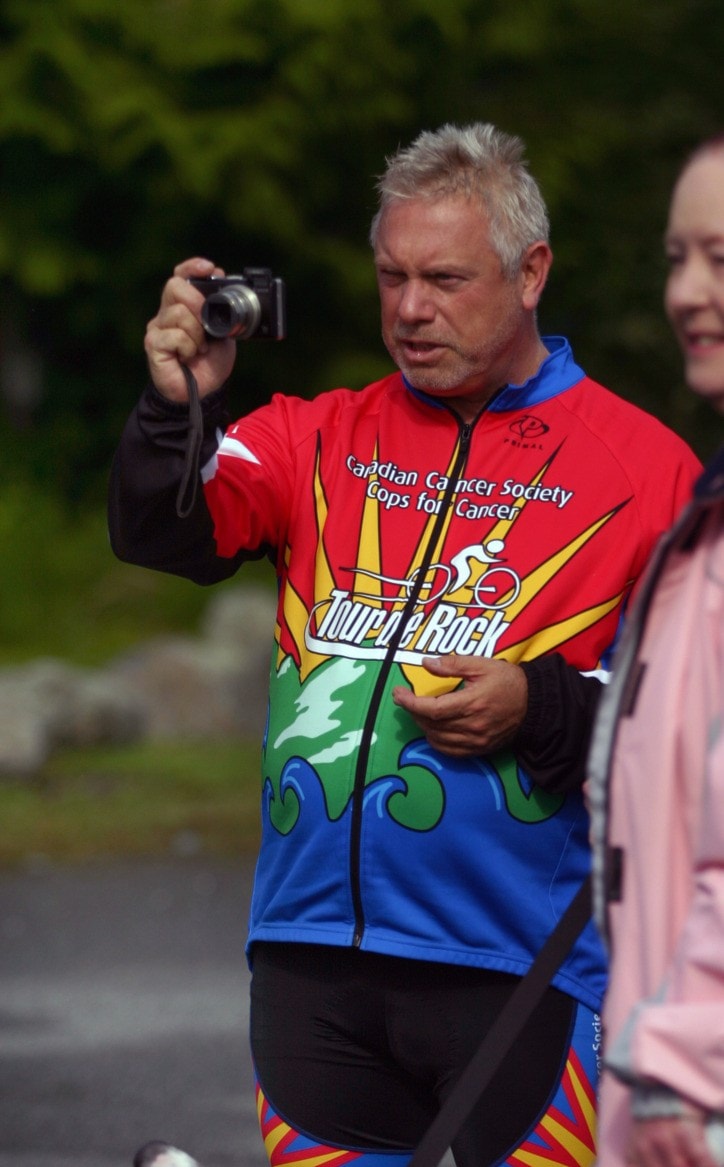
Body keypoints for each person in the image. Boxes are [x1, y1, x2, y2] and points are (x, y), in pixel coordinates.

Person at [108, 123, 701, 1167]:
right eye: (391, 277)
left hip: (519, 975)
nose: (411, 309)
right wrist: (175, 407)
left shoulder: (644, 470)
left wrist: (541, 705)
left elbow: (698, 742)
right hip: (309, 974)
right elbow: (164, 529)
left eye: (444, 278)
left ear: (531, 274)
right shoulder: (318, 432)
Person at [589, 135, 724, 1167]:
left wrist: (685, 1057)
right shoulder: (706, 520)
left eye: (721, 259)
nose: (685, 291)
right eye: (676, 255)